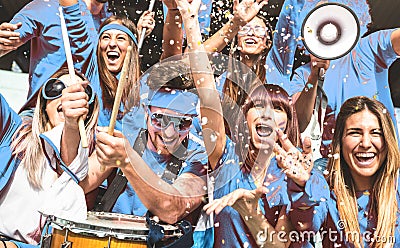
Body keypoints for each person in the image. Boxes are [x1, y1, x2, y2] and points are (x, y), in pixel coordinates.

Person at [276, 96, 400, 247]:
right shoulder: (325, 189)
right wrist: (302, 186)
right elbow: (305, 225)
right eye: (355, 133)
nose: (366, 143)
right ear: (339, 142)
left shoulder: (397, 190)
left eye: (376, 133)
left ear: (388, 141)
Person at [0, 67, 99, 247]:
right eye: (56, 89)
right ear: (45, 104)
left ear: (88, 110)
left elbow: (69, 162)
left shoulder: (87, 155)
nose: (67, 95)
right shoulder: (13, 133)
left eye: (79, 93)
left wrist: (71, 124)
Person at [0, 0, 111, 112]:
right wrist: (3, 41)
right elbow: (7, 41)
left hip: (91, 119)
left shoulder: (112, 20)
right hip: (44, 117)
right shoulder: (47, 6)